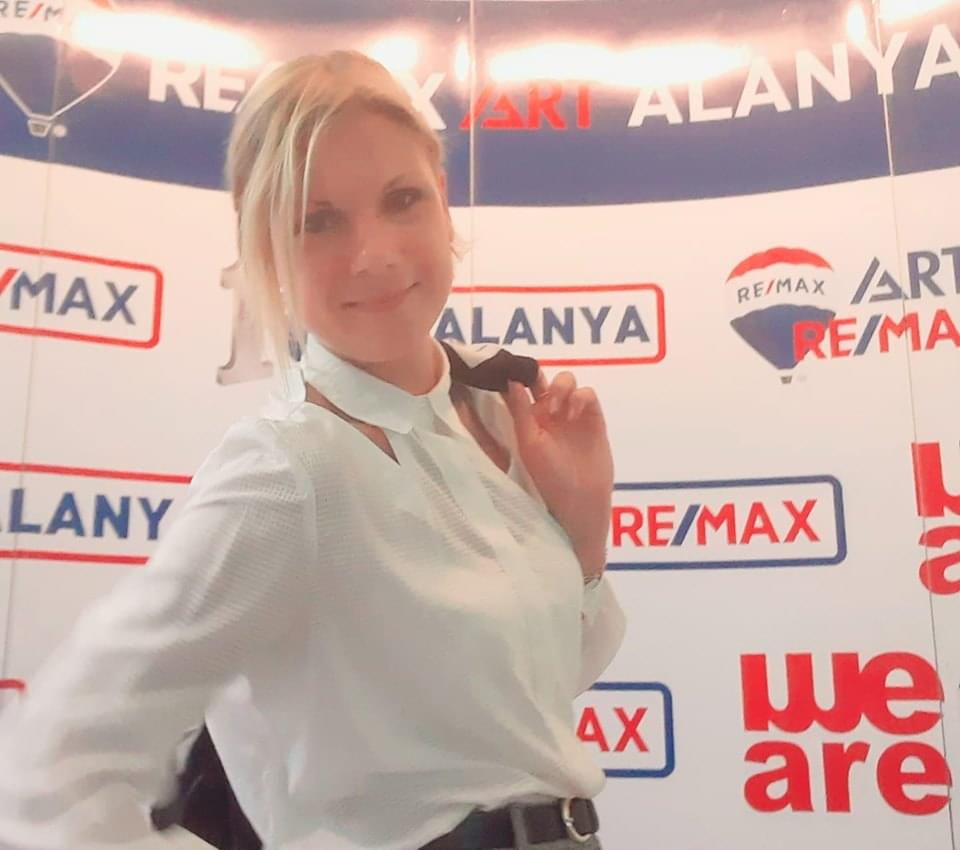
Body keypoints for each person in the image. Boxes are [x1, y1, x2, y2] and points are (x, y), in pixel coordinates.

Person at [0, 51, 626, 850]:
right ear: (267, 248)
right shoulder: (285, 473)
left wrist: (583, 529)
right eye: (319, 220)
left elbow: (527, 703)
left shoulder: (498, 413)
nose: (375, 253)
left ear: (442, 198)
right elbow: (50, 774)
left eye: (402, 199)